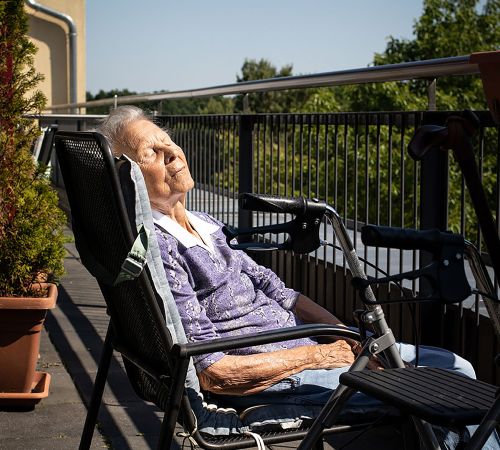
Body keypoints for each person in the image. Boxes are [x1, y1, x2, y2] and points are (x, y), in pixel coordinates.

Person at [97, 106, 497, 449]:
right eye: (152, 151)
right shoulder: (161, 249)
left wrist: (351, 339)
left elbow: (279, 290)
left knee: (455, 366)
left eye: (167, 140)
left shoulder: (205, 223)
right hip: (279, 378)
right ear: (129, 175)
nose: (171, 152)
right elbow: (213, 372)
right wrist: (323, 354)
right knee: (450, 396)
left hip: (314, 353)